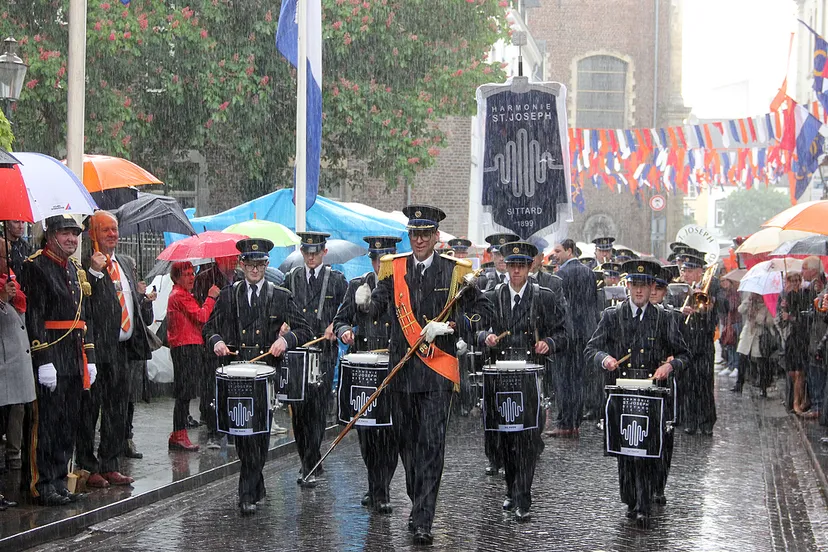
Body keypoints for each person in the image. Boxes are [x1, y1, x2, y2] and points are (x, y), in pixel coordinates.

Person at [360, 205, 492, 545]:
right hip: (402, 373)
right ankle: (418, 497)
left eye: (425, 233)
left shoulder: (455, 273)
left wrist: (451, 324)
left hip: (437, 373)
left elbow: (482, 312)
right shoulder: (394, 269)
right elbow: (375, 309)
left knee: (432, 445)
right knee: (407, 446)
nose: (418, 240)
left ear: (436, 236)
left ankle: (423, 518)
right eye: (413, 233)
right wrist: (364, 299)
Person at [204, 238, 313, 515]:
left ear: (267, 265)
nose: (255, 269)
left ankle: (246, 494)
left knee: (260, 435)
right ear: (241, 265)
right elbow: (208, 329)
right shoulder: (229, 296)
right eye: (250, 264)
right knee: (242, 436)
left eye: (260, 264)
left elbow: (305, 330)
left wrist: (286, 340)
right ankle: (256, 483)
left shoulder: (280, 296)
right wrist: (217, 341)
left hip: (266, 376)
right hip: (237, 375)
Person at [585, 259, 690, 526]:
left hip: (652, 394)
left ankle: (643, 503)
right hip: (622, 393)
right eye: (634, 285)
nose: (639, 291)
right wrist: (605, 359)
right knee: (626, 451)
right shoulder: (612, 316)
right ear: (627, 286)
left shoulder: (664, 318)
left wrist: (670, 365)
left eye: (644, 285)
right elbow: (591, 349)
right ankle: (631, 499)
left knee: (647, 449)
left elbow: (684, 355)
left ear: (652, 287)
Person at [478, 241, 568, 522]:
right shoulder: (492, 296)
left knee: (528, 438)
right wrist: (485, 338)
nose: (516, 272)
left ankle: (524, 496)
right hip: (501, 375)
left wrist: (549, 343)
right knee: (504, 437)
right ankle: (511, 489)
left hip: (531, 376)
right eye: (512, 266)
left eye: (521, 266)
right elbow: (475, 328)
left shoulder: (544, 297)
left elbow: (564, 333)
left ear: (530, 267)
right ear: (505, 266)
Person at [21, 215, 97, 506]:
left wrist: (88, 356)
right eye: (65, 234)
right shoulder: (36, 266)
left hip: (73, 355)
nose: (72, 240)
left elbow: (83, 318)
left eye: (75, 235)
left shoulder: (76, 269)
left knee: (68, 422)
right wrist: (42, 357)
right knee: (47, 423)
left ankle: (60, 479)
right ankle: (41, 483)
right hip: (51, 354)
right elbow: (35, 314)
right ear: (50, 235)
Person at [81, 210, 155, 488]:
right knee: (90, 410)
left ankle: (110, 463)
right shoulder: (86, 265)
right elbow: (87, 305)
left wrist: (143, 300)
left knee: (118, 409)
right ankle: (88, 467)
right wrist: (95, 273)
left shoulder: (125, 262)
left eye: (115, 229)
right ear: (93, 234)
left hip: (124, 350)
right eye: (105, 230)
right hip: (98, 350)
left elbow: (130, 301)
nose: (112, 235)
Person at [333, 236, 401, 514]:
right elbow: (340, 319)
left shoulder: (402, 286)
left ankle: (382, 487)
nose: (379, 264)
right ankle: (375, 484)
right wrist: (344, 332)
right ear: (371, 260)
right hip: (364, 367)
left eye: (384, 260)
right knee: (366, 434)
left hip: (392, 365)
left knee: (390, 433)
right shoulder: (357, 286)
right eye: (375, 259)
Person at [283, 231, 348, 488]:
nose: (311, 257)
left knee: (318, 411)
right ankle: (308, 459)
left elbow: (347, 309)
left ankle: (309, 464)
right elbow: (283, 310)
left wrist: (336, 324)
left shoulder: (336, 280)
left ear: (324, 252)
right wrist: (283, 327)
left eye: (316, 252)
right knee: (299, 411)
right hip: (299, 353)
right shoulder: (292, 279)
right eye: (307, 253)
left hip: (323, 353)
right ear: (302, 253)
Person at [166, 261, 221, 451]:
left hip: (187, 346)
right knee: (184, 393)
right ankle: (179, 434)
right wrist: (211, 297)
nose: (192, 277)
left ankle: (179, 433)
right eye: (187, 274)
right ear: (177, 277)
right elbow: (202, 316)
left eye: (192, 273)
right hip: (185, 348)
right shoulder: (180, 296)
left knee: (186, 392)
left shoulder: (181, 295)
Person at [549, 238, 600, 436]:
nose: (555, 255)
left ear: (570, 251)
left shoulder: (561, 274)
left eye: (558, 251)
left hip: (568, 334)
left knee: (564, 380)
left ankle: (564, 424)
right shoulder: (589, 271)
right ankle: (575, 423)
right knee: (578, 380)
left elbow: (560, 307)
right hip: (586, 332)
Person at [193, 255, 241, 429]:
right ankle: (211, 421)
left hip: (234, 338)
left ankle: (229, 419)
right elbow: (199, 311)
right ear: (220, 258)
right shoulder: (204, 278)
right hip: (213, 337)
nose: (235, 260)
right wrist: (212, 298)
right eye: (231, 257)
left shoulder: (239, 278)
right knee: (211, 382)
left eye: (236, 256)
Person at [674, 253, 717, 435]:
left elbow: (716, 316)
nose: (686, 274)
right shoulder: (678, 289)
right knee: (687, 383)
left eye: (690, 271)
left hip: (703, 343)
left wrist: (706, 309)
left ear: (700, 273)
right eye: (684, 271)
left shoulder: (710, 289)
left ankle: (706, 422)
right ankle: (690, 420)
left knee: (704, 383)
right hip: (686, 343)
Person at [0, 238, 30, 472]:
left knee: (17, 407)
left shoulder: (12, 279)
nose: (8, 260)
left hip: (16, 359)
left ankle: (14, 452)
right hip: (4, 359)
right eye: (4, 256)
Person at [777, 271, 811, 414]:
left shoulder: (805, 294)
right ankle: (799, 398)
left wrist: (790, 317)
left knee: (799, 372)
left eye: (797, 280)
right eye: (792, 280)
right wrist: (784, 314)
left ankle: (798, 401)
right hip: (791, 338)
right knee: (792, 372)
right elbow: (781, 322)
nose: (795, 283)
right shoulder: (785, 297)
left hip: (802, 338)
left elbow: (803, 319)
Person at [736, 293, 777, 396]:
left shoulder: (767, 305)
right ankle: (739, 384)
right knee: (742, 358)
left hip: (759, 335)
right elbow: (740, 310)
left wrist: (757, 316)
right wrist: (748, 302)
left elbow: (770, 322)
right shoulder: (750, 302)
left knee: (761, 362)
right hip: (747, 333)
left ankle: (763, 387)